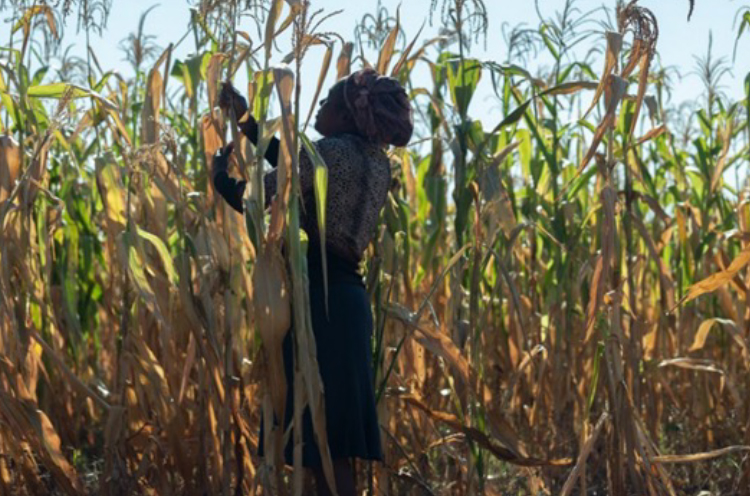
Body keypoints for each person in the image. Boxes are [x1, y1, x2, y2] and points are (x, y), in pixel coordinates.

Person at [211, 68, 413, 496]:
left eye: (327, 103)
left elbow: (258, 198)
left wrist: (219, 178)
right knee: (330, 442)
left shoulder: (330, 153)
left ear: (345, 114)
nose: (319, 108)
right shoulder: (377, 164)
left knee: (323, 445)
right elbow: (291, 163)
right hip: (348, 302)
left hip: (318, 304)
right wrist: (245, 122)